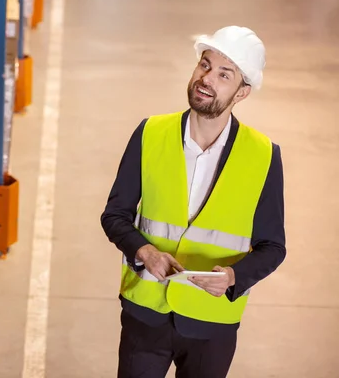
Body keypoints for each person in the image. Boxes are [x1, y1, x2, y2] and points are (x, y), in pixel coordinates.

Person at [100, 26, 286, 378]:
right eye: (204, 64)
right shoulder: (150, 132)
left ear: (241, 92)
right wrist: (145, 252)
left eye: (223, 74)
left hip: (212, 325)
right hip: (146, 313)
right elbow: (115, 215)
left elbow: (272, 246)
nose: (206, 79)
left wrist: (234, 276)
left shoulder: (263, 156)